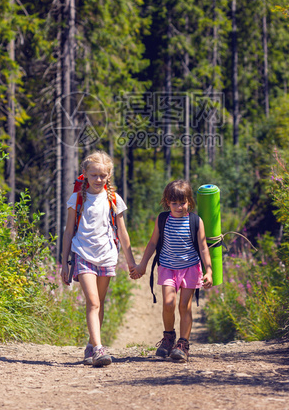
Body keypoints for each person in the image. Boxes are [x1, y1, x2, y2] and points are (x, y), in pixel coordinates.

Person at [61, 150, 138, 368]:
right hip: (83, 254)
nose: (98, 179)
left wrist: (131, 262)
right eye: (94, 175)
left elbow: (123, 232)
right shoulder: (76, 199)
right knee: (93, 302)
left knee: (99, 303)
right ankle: (98, 349)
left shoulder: (114, 199)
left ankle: (91, 344)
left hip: (107, 256)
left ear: (108, 176)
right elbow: (68, 232)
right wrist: (65, 262)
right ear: (84, 173)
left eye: (103, 176)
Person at [132, 180, 213, 362]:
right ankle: (169, 338)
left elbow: (203, 247)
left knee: (185, 306)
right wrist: (142, 264)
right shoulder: (163, 219)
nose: (178, 207)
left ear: (189, 202)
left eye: (182, 202)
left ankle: (183, 344)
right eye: (174, 203)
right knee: (168, 303)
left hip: (191, 268)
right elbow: (153, 243)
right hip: (168, 268)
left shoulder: (195, 221)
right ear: (167, 202)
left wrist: (209, 271)